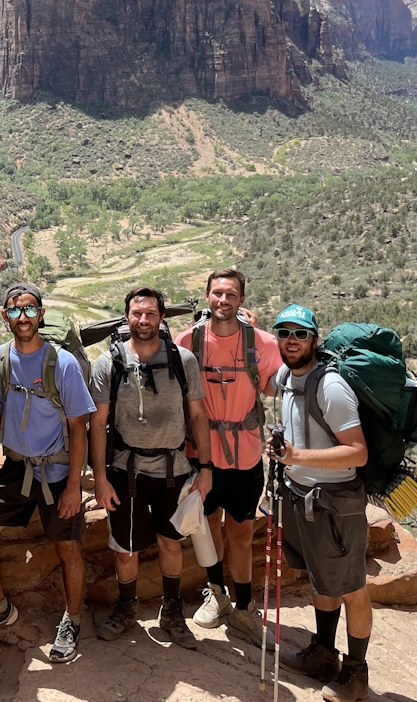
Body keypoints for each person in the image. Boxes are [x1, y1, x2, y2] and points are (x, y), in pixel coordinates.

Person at [0, 282, 95, 662]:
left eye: (29, 309)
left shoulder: (63, 363)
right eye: (15, 310)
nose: (23, 317)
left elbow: (78, 428)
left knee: (68, 549)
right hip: (15, 469)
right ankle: (1, 608)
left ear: (41, 314)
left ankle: (72, 620)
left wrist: (74, 487)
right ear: (5, 316)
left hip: (56, 475)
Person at [89, 286, 213, 649]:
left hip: (173, 468)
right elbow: (97, 424)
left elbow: (197, 415)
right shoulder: (108, 362)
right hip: (124, 472)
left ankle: (171, 609)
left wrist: (205, 468)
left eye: (150, 314)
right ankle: (128, 606)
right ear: (126, 317)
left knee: (170, 543)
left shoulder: (182, 359)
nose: (143, 320)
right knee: (126, 548)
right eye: (136, 313)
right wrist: (99, 477)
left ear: (161, 318)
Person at [267, 304, 372, 702]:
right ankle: (323, 654)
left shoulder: (330, 387)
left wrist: (297, 457)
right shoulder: (286, 378)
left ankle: (356, 673)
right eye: (284, 333)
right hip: (302, 497)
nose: (291, 341)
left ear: (314, 338)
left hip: (335, 503)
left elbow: (357, 453)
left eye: (299, 334)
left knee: (352, 587)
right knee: (321, 579)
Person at [173, 268, 283, 644]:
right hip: (201, 454)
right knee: (206, 527)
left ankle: (244, 608)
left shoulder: (263, 343)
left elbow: (272, 386)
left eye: (231, 294)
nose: (223, 300)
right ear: (207, 296)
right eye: (217, 293)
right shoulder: (189, 340)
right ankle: (216, 593)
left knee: (239, 531)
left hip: (245, 456)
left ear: (241, 300)